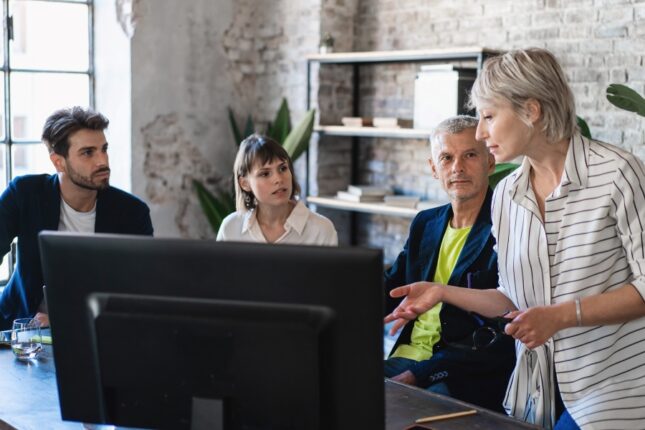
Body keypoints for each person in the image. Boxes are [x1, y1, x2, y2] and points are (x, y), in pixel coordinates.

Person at [385, 48, 645, 430]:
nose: (480, 131)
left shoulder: (619, 174)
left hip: (612, 384)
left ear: (532, 110)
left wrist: (562, 316)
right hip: (534, 386)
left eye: (489, 116)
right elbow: (512, 297)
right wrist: (442, 292)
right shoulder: (506, 193)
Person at [383, 115, 514, 412]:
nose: (457, 167)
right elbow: (390, 288)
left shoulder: (507, 228)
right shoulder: (424, 223)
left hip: (461, 374)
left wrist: (420, 374)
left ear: (489, 162)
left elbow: (500, 334)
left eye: (469, 155)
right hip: (402, 359)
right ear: (433, 168)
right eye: (446, 157)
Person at [0, 106, 154, 330]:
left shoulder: (132, 213)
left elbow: (139, 293)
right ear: (58, 162)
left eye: (104, 149)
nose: (102, 161)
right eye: (88, 152)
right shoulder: (25, 194)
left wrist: (66, 320)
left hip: (97, 333)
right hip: (20, 331)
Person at [217, 134, 337, 245]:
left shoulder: (322, 230)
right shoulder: (230, 228)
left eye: (283, 168)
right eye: (265, 174)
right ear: (245, 184)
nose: (278, 179)